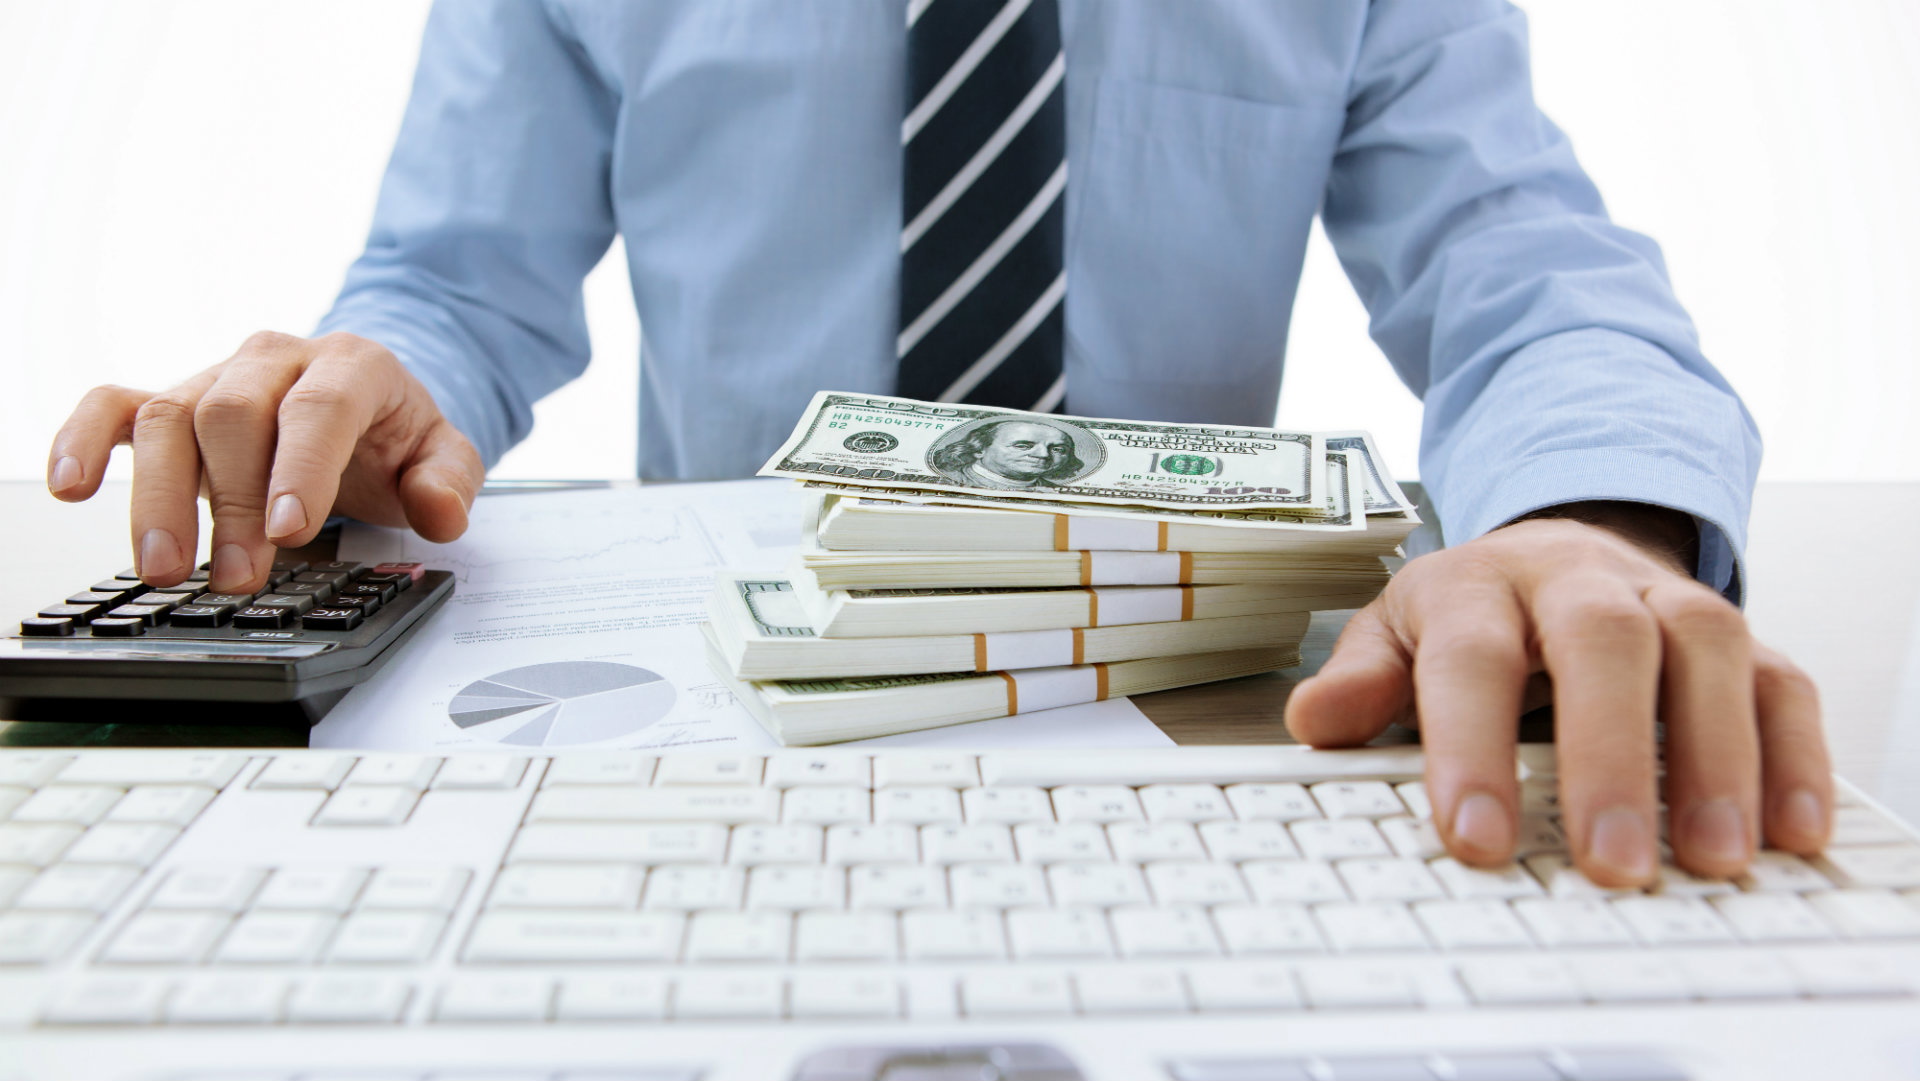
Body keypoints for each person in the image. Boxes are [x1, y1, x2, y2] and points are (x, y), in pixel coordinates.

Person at [43, 0, 1828, 886]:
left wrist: (1591, 526)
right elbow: (453, 281)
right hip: (725, 766)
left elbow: (1531, 270)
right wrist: (365, 397)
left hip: (1206, 750)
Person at [930, 420, 1085, 490]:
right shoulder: (942, 480)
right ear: (979, 449)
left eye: (1058, 449)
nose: (1043, 455)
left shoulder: (1056, 492)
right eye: (1023, 446)